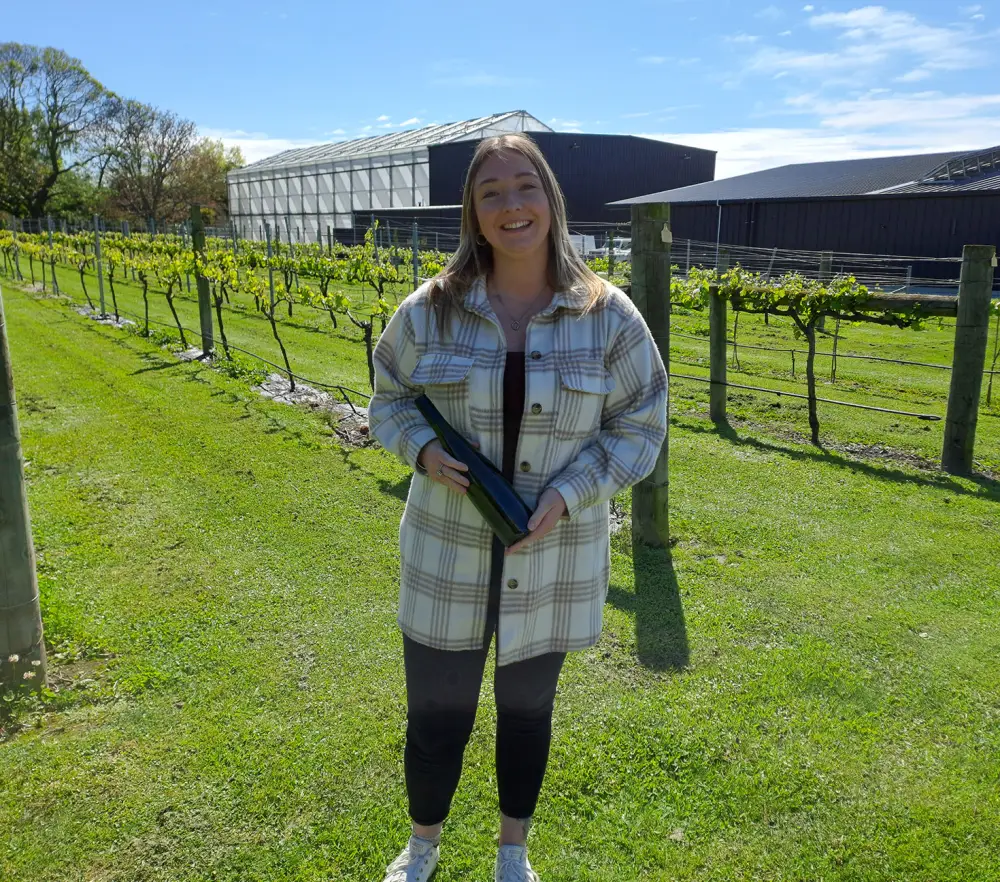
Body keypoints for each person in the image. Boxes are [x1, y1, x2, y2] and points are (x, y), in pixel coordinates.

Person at [368, 132, 668, 882]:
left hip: (554, 559)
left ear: (551, 199)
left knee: (528, 713)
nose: (511, 204)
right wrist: (421, 451)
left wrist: (570, 493)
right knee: (437, 714)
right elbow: (389, 399)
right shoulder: (429, 311)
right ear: (473, 209)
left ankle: (512, 853)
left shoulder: (608, 317)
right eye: (491, 190)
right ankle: (423, 846)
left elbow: (642, 427)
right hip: (446, 554)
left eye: (524, 186)